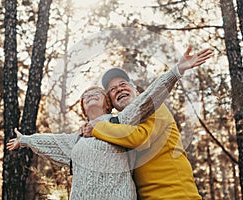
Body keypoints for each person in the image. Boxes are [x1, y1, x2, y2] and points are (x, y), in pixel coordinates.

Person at [80, 46, 212, 199]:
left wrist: (97, 128)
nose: (119, 89)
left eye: (123, 84)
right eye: (112, 89)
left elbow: (140, 139)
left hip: (176, 195)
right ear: (111, 104)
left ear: (135, 89)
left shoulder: (154, 107)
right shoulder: (118, 128)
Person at [7, 86, 137, 200]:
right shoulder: (77, 138)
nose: (90, 95)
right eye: (85, 96)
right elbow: (52, 141)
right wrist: (25, 140)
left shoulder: (121, 121)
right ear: (84, 110)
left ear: (108, 105)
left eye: (97, 92)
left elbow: (146, 102)